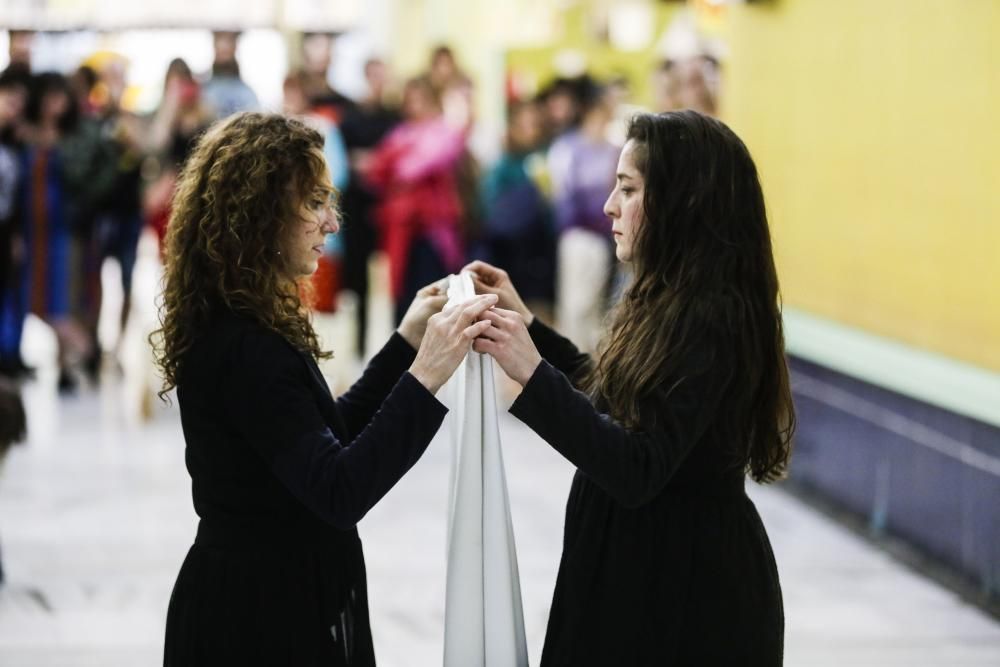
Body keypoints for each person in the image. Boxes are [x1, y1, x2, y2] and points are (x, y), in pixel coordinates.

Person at [152, 112, 496, 665]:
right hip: (254, 620)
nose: (333, 223)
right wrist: (426, 375)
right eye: (314, 203)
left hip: (270, 596)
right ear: (260, 215)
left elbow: (321, 433)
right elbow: (339, 489)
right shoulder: (245, 346)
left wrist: (407, 343)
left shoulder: (246, 323)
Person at [466, 110, 794, 665]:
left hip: (687, 594)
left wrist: (531, 375)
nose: (608, 208)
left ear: (683, 201)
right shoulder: (666, 296)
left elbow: (638, 466)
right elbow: (609, 394)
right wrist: (527, 328)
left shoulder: (714, 318)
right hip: (640, 568)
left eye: (628, 190)